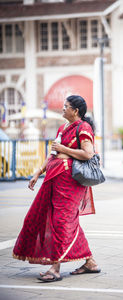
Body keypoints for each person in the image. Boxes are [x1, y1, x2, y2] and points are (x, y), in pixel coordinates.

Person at [13, 95, 101, 282]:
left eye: (65, 106)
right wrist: (38, 172)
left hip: (69, 182)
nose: (62, 109)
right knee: (52, 218)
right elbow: (53, 153)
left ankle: (55, 267)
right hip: (53, 178)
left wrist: (64, 149)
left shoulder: (83, 128)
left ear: (75, 111)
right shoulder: (63, 127)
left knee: (61, 221)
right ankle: (90, 262)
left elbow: (88, 153)